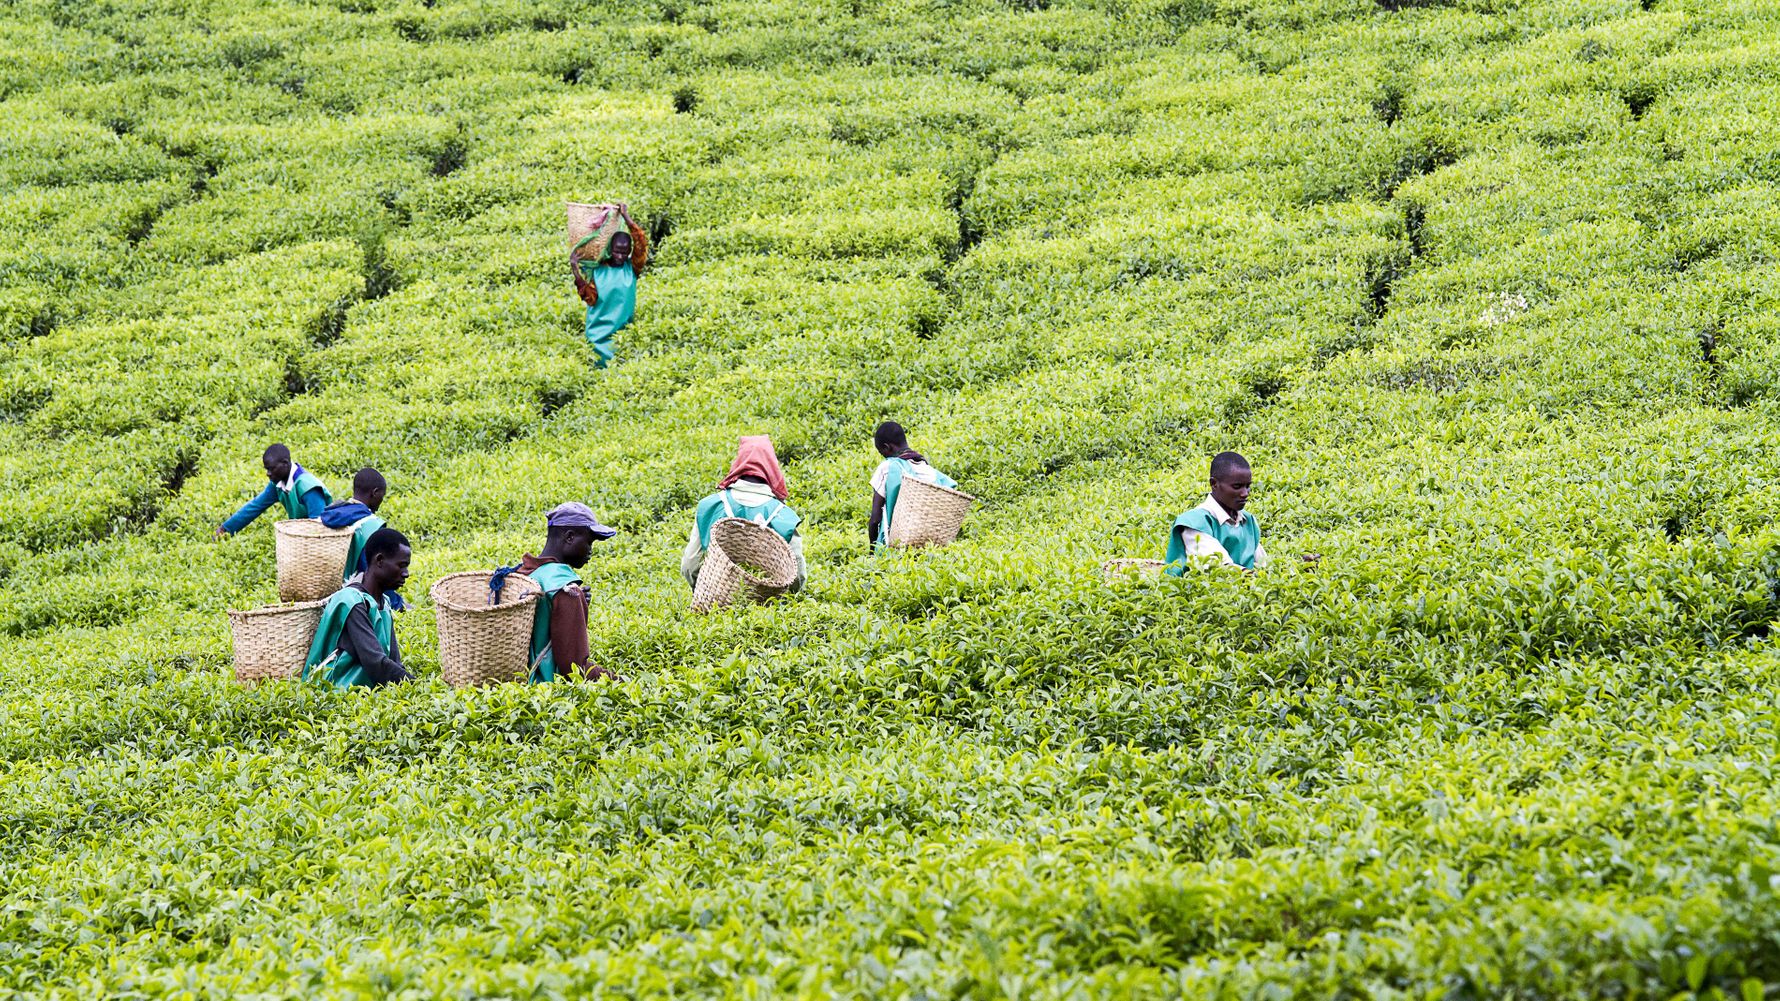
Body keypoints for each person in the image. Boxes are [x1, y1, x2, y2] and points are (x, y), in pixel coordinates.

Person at [497, 502, 618, 683]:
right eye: (589, 542)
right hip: (545, 694)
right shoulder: (565, 588)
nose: (590, 551)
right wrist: (620, 681)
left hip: (512, 687)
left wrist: (579, 609)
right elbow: (575, 669)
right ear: (569, 537)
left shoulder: (523, 574)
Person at [681, 435, 807, 591]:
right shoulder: (783, 516)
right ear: (772, 468)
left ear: (738, 463)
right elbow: (798, 574)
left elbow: (690, 565)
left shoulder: (710, 506)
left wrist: (703, 589)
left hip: (717, 602)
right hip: (767, 606)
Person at [303, 527, 413, 688]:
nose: (406, 573)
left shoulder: (384, 603)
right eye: (401, 565)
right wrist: (415, 683)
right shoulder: (351, 601)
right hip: (333, 689)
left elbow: (393, 661)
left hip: (365, 691)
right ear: (380, 560)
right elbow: (375, 662)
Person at [1165, 451, 1271, 573]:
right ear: (1214, 484)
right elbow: (1219, 568)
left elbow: (1264, 565)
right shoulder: (1194, 522)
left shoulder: (1248, 521)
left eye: (1247, 486)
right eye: (1237, 486)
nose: (1245, 493)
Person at [573, 206, 648, 369]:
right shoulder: (598, 270)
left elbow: (641, 243)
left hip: (622, 338)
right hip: (597, 338)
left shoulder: (632, 268)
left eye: (624, 252)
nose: (620, 256)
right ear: (610, 250)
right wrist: (576, 271)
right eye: (617, 251)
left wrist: (626, 217)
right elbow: (589, 298)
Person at [868, 420, 958, 548]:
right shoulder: (927, 469)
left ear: (887, 447)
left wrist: (872, 551)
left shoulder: (888, 467)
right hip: (930, 543)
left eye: (882, 453)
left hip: (898, 544)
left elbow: (875, 520)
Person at [215, 443, 331, 537]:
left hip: (321, 544)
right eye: (267, 469)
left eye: (271, 469)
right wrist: (225, 529)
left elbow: (319, 526)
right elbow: (255, 506)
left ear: (285, 463)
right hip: (301, 541)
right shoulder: (278, 484)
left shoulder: (307, 487)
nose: (268, 474)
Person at [319, 467, 388, 580]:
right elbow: (371, 571)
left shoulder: (331, 513)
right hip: (355, 592)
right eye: (382, 495)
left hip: (325, 583)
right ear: (375, 493)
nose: (382, 499)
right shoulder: (372, 525)